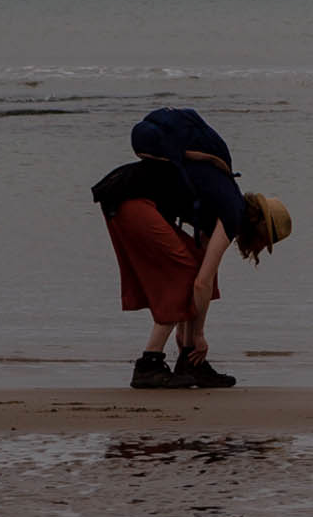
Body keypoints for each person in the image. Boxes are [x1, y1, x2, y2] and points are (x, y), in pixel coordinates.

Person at [92, 107, 291, 389]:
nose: (257, 248)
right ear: (258, 227)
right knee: (185, 275)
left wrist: (191, 337)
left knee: (195, 266)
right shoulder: (232, 212)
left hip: (124, 198)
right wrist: (199, 334)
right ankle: (149, 363)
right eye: (265, 240)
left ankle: (190, 362)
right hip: (129, 202)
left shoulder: (221, 202)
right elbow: (199, 283)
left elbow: (205, 276)